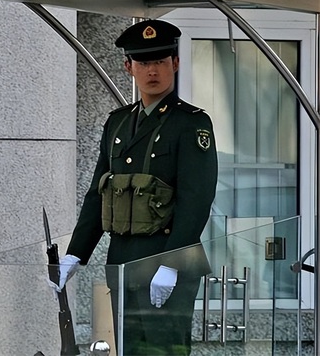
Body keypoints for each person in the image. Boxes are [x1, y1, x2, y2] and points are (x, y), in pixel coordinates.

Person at [56, 19, 218, 355]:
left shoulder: (191, 123)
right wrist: (76, 253)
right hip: (123, 260)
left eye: (160, 61)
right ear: (129, 67)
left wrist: (172, 263)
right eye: (143, 63)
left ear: (175, 63)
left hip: (166, 259)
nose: (152, 71)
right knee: (130, 350)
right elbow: (99, 192)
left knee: (164, 350)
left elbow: (196, 199)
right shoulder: (117, 122)